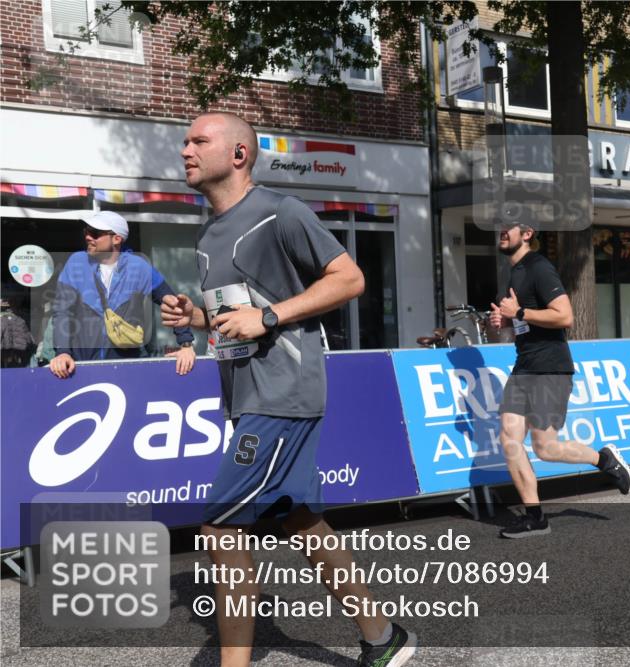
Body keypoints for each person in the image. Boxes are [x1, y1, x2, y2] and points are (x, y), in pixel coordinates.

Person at [161, 112, 414, 667]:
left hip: (284, 390)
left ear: (238, 155)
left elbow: (350, 279)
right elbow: (233, 315)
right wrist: (195, 316)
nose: (186, 149)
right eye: (185, 141)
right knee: (298, 517)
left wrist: (270, 316)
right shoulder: (208, 232)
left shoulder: (281, 212)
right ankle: (382, 637)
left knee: (221, 526)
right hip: (247, 394)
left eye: (199, 140)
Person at [490, 221, 630, 539]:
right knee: (508, 439)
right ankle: (535, 517)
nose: (501, 230)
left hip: (550, 368)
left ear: (527, 233)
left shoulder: (539, 267)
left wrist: (521, 313)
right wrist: (503, 322)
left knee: (546, 448)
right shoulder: (510, 273)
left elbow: (564, 316)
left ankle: (603, 459)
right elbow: (516, 324)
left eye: (508, 226)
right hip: (524, 366)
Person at [48, 210, 196, 378]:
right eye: (86, 232)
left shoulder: (139, 267)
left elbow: (174, 305)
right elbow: (62, 312)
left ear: (117, 239)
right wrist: (62, 352)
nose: (88, 237)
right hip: (82, 367)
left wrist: (185, 345)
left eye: (95, 233)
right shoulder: (76, 262)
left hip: (129, 367)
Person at [0, 294, 35, 368]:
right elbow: (30, 340)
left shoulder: (21, 319)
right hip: (19, 355)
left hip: (8, 354)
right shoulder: (21, 320)